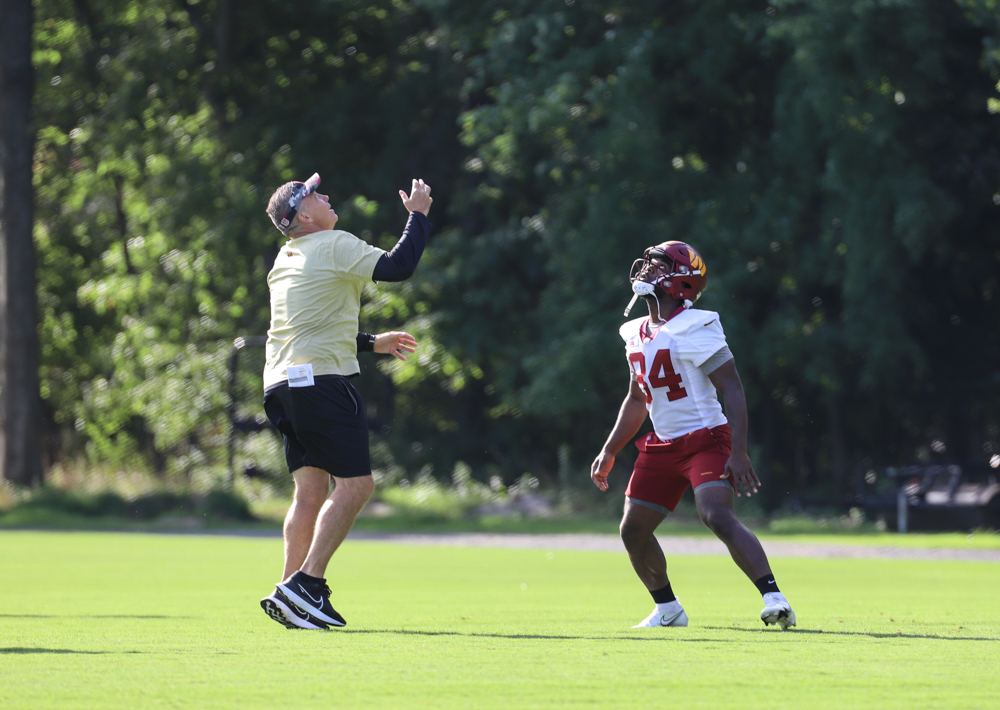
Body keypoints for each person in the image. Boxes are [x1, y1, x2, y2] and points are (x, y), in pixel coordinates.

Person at [257, 173, 433, 630]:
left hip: (279, 385)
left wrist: (371, 341)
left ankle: (288, 589)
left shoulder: (285, 257)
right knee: (356, 486)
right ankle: (307, 585)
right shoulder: (333, 242)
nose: (326, 196)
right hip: (321, 383)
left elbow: (311, 326)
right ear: (302, 215)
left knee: (310, 491)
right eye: (316, 194)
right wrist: (417, 215)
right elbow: (398, 267)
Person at [590, 241, 795, 630]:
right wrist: (610, 449)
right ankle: (668, 608)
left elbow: (732, 388)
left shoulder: (696, 325)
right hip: (663, 444)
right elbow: (637, 398)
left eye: (659, 266)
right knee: (632, 529)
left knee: (715, 514)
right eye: (649, 263)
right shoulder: (635, 331)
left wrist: (739, 451)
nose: (647, 270)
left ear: (681, 282)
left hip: (705, 438)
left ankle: (775, 598)